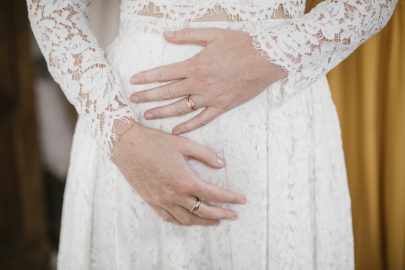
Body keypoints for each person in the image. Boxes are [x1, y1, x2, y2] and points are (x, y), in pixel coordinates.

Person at [26, 0, 398, 269]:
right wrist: (121, 137)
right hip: (132, 118)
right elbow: (51, 7)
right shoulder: (124, 132)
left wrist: (267, 56)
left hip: (277, 107)